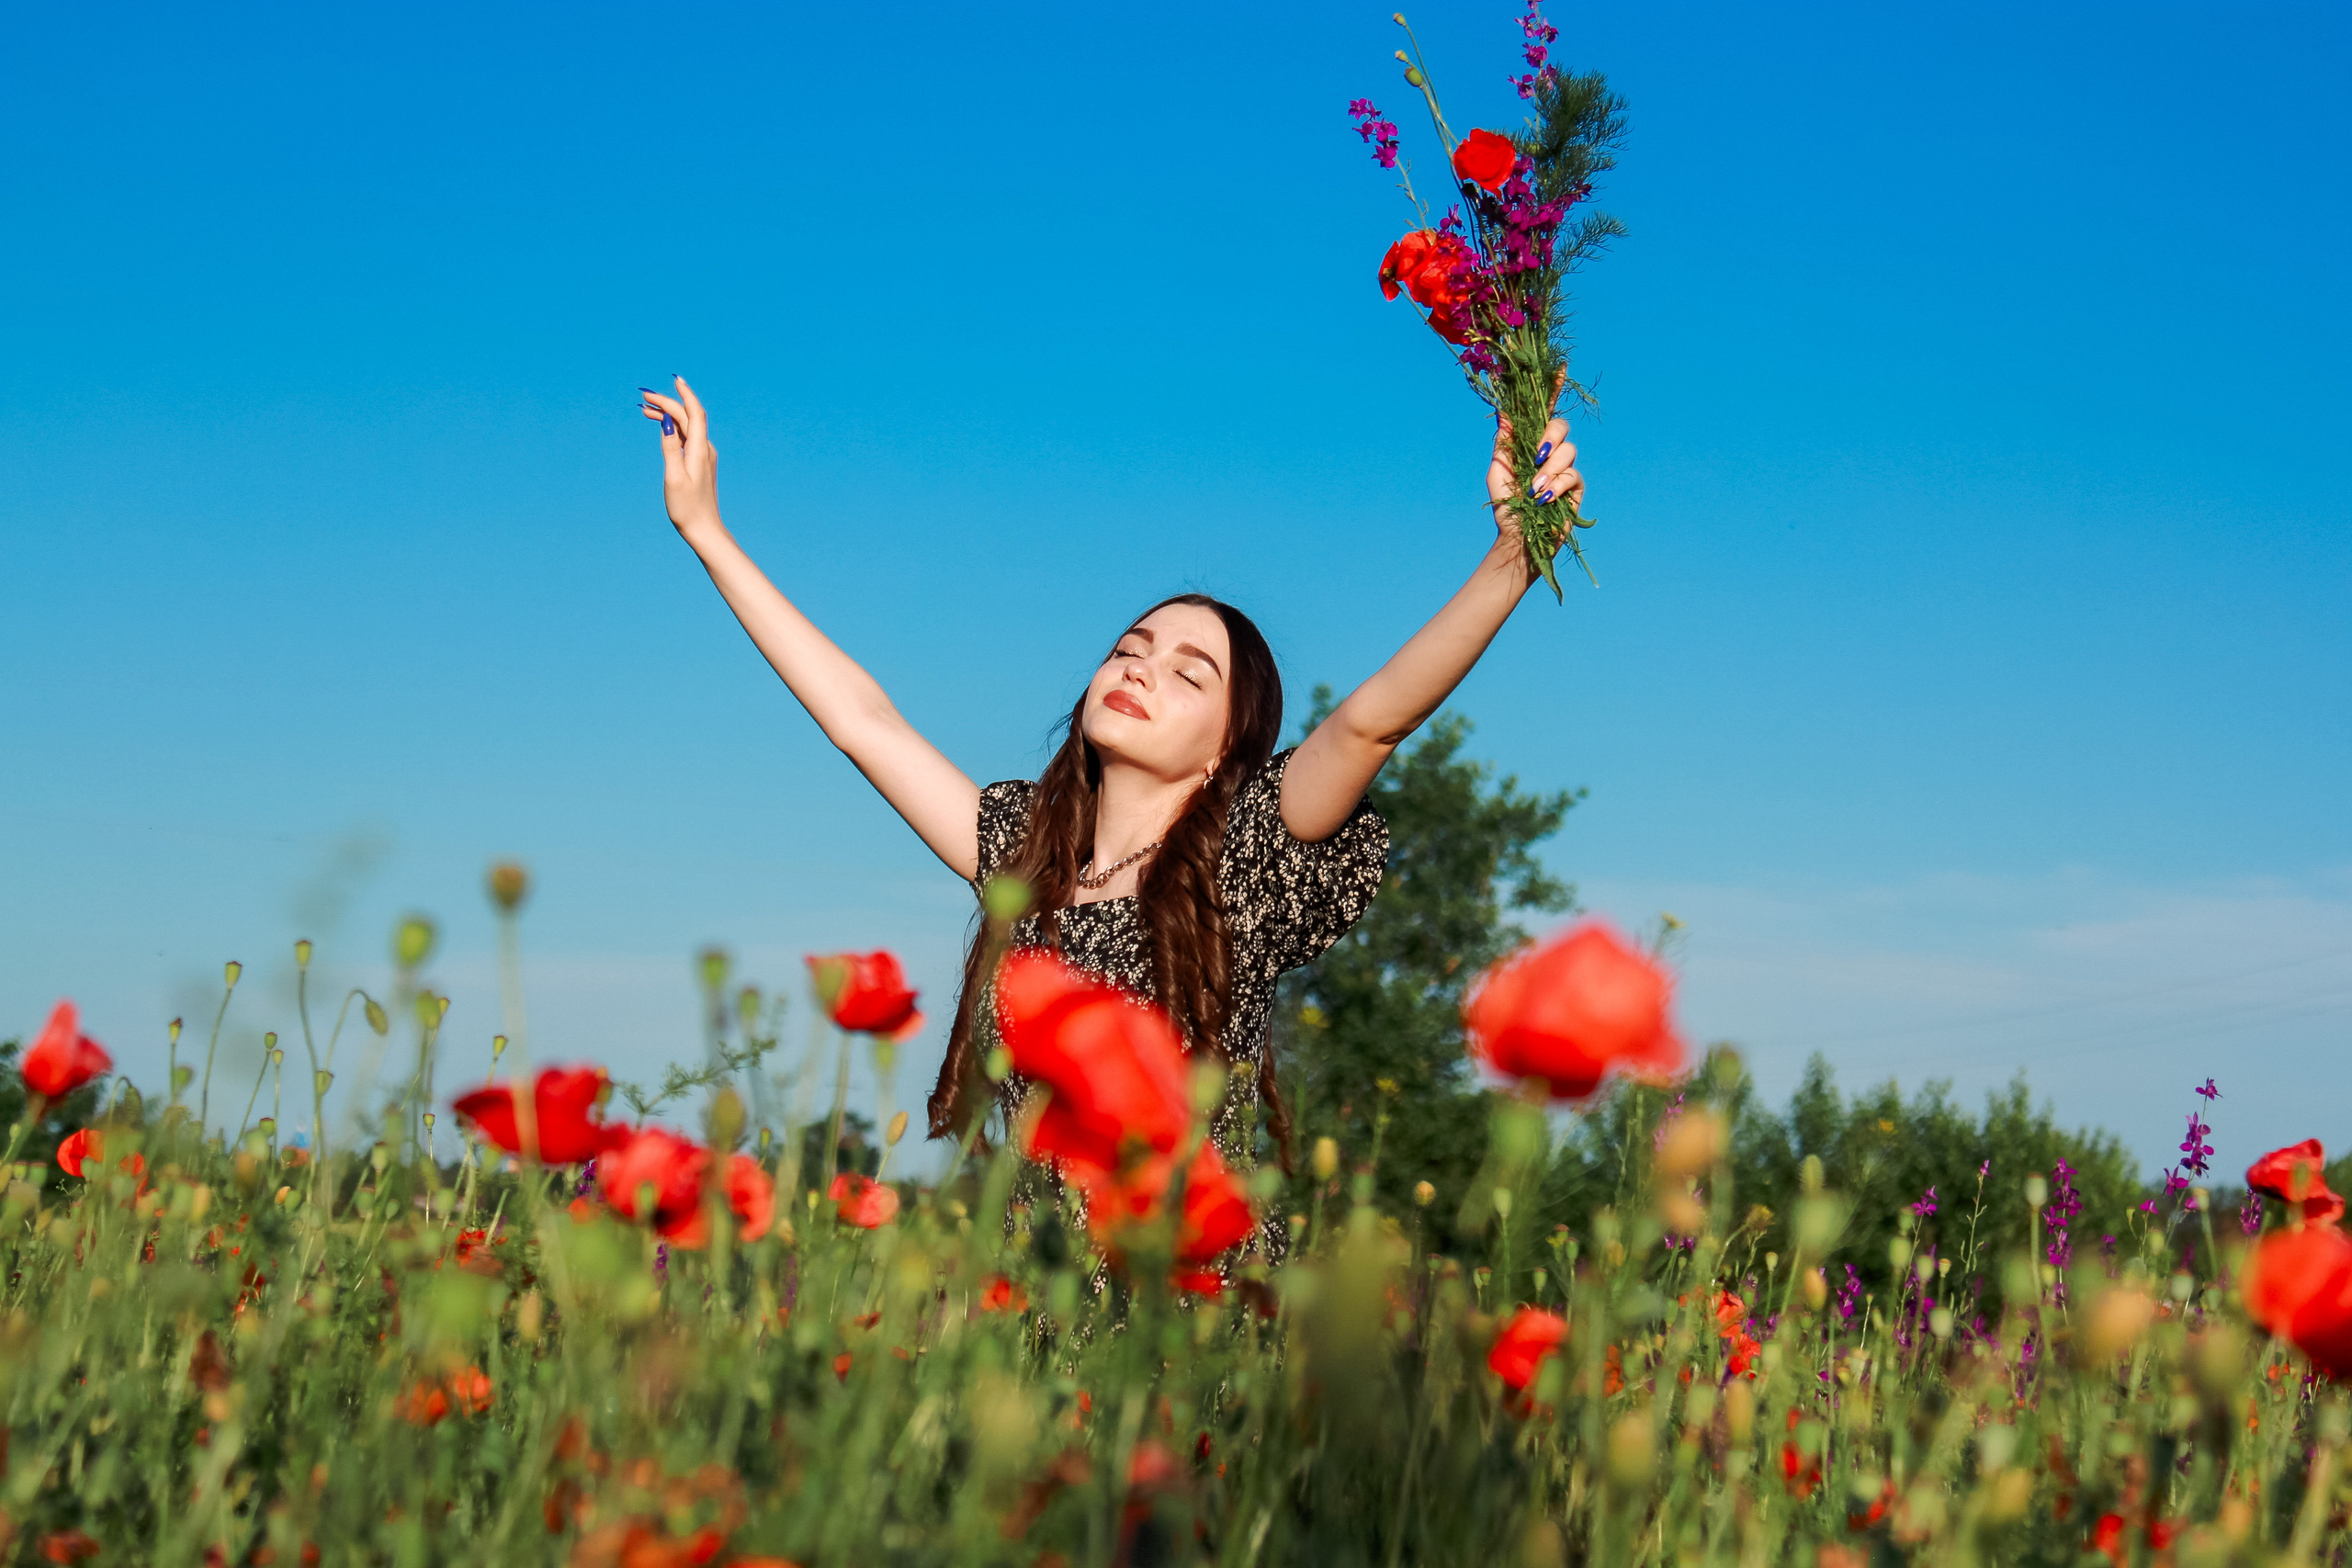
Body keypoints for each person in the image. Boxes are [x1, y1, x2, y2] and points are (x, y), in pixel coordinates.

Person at [639, 377, 1585, 1180]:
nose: (1140, 669)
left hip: (1190, 1302)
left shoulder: (1248, 854)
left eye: (1188, 674)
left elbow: (1374, 720)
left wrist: (1513, 556)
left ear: (1227, 748)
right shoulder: (1025, 856)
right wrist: (707, 532)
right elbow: (864, 724)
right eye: (1131, 649)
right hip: (1033, 1299)